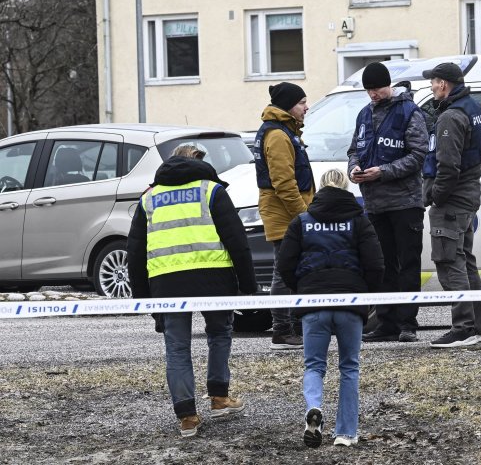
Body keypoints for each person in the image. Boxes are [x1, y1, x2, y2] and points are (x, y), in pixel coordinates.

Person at [127, 144, 258, 437]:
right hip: (214, 278)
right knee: (220, 334)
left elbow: (134, 251)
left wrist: (143, 299)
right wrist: (249, 287)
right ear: (200, 163)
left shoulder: (149, 197)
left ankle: (187, 417)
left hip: (166, 282)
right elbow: (237, 240)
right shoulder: (212, 190)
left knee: (177, 348)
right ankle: (219, 398)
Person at [276, 168, 384, 448]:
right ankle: (345, 433)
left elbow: (285, 264)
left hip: (314, 303)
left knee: (314, 365)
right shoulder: (359, 220)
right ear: (346, 188)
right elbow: (375, 264)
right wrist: (365, 293)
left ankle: (314, 409)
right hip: (350, 302)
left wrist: (302, 288)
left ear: (320, 189)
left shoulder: (301, 221)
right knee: (349, 367)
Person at [346, 62, 428, 343]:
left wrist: (383, 172)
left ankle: (408, 324)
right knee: (382, 266)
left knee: (407, 264)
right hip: (375, 205)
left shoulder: (409, 113)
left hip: (406, 203)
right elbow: (354, 150)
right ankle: (386, 322)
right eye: (368, 90)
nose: (373, 95)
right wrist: (354, 169)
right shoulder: (364, 115)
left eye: (377, 89)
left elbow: (418, 155)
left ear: (388, 85)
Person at [421, 62, 481, 348]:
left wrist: (436, 196)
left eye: (434, 82)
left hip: (451, 201)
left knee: (450, 262)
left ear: (444, 84)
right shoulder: (472, 108)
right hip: (467, 196)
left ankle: (463, 327)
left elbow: (447, 165)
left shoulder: (451, 116)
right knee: (465, 261)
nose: (431, 86)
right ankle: (479, 326)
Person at [254, 82, 315, 349]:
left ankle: (294, 327)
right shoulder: (278, 135)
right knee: (283, 272)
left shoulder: (283, 131)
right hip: (286, 215)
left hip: (286, 213)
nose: (306, 107)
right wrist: (304, 216)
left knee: (293, 271)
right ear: (289, 105)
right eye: (302, 102)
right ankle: (282, 330)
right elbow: (284, 184)